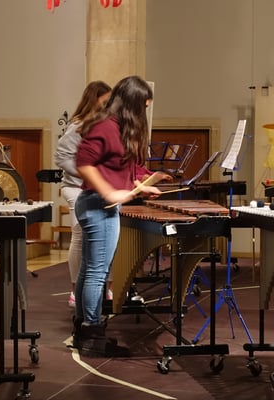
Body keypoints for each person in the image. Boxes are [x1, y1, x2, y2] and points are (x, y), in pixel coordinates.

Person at [72, 75, 169, 357]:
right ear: (132, 104)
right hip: (97, 205)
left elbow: (120, 169)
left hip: (97, 205)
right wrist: (109, 193)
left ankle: (83, 329)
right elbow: (83, 163)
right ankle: (92, 334)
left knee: (89, 269)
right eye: (144, 107)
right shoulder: (106, 126)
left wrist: (141, 186)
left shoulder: (118, 128)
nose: (145, 113)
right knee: (97, 272)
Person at [54, 81, 112, 307]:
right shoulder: (78, 125)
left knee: (107, 236)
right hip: (76, 187)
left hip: (98, 188)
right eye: (105, 100)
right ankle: (74, 290)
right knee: (80, 234)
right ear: (94, 99)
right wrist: (87, 174)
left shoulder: (105, 123)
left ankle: (106, 287)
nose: (108, 105)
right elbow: (61, 157)